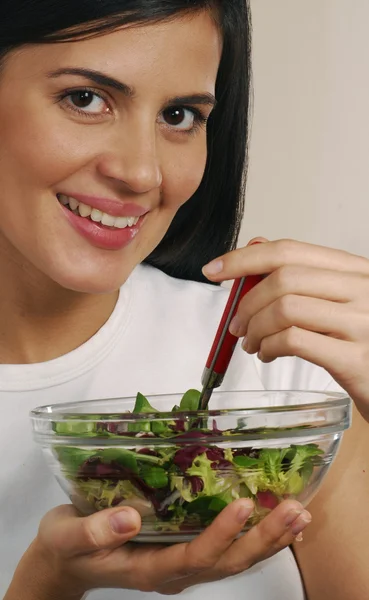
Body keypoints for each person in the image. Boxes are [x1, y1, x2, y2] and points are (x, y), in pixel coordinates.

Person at [0, 1, 368, 599]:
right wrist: (46, 584)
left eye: (179, 114)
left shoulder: (288, 375)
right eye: (86, 99)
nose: (143, 172)